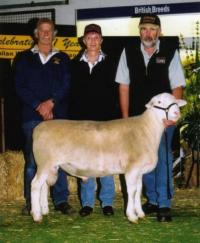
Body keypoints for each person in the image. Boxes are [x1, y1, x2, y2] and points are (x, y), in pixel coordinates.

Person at [115, 14, 185, 222]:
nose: (148, 33)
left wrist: (173, 116)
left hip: (163, 119)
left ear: (159, 32)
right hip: (138, 119)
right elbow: (123, 86)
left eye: (152, 29)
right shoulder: (128, 52)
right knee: (141, 160)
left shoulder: (170, 52)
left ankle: (164, 204)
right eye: (144, 29)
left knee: (162, 157)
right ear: (139, 31)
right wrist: (126, 118)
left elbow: (177, 86)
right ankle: (152, 200)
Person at [14, 18, 74, 216]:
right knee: (33, 160)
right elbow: (20, 86)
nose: (46, 34)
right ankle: (32, 202)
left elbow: (67, 84)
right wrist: (38, 105)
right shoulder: (23, 58)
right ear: (36, 34)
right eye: (42, 30)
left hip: (58, 118)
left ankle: (61, 200)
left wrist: (51, 103)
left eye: (50, 31)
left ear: (54, 34)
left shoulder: (63, 58)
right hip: (32, 117)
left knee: (61, 158)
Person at [69, 24, 117, 217]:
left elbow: (116, 92)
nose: (93, 41)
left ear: (102, 40)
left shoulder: (111, 63)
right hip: (82, 124)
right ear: (83, 40)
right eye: (89, 38)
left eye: (96, 37)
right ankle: (87, 203)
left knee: (106, 163)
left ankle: (107, 202)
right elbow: (71, 94)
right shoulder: (74, 65)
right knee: (85, 162)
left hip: (106, 123)